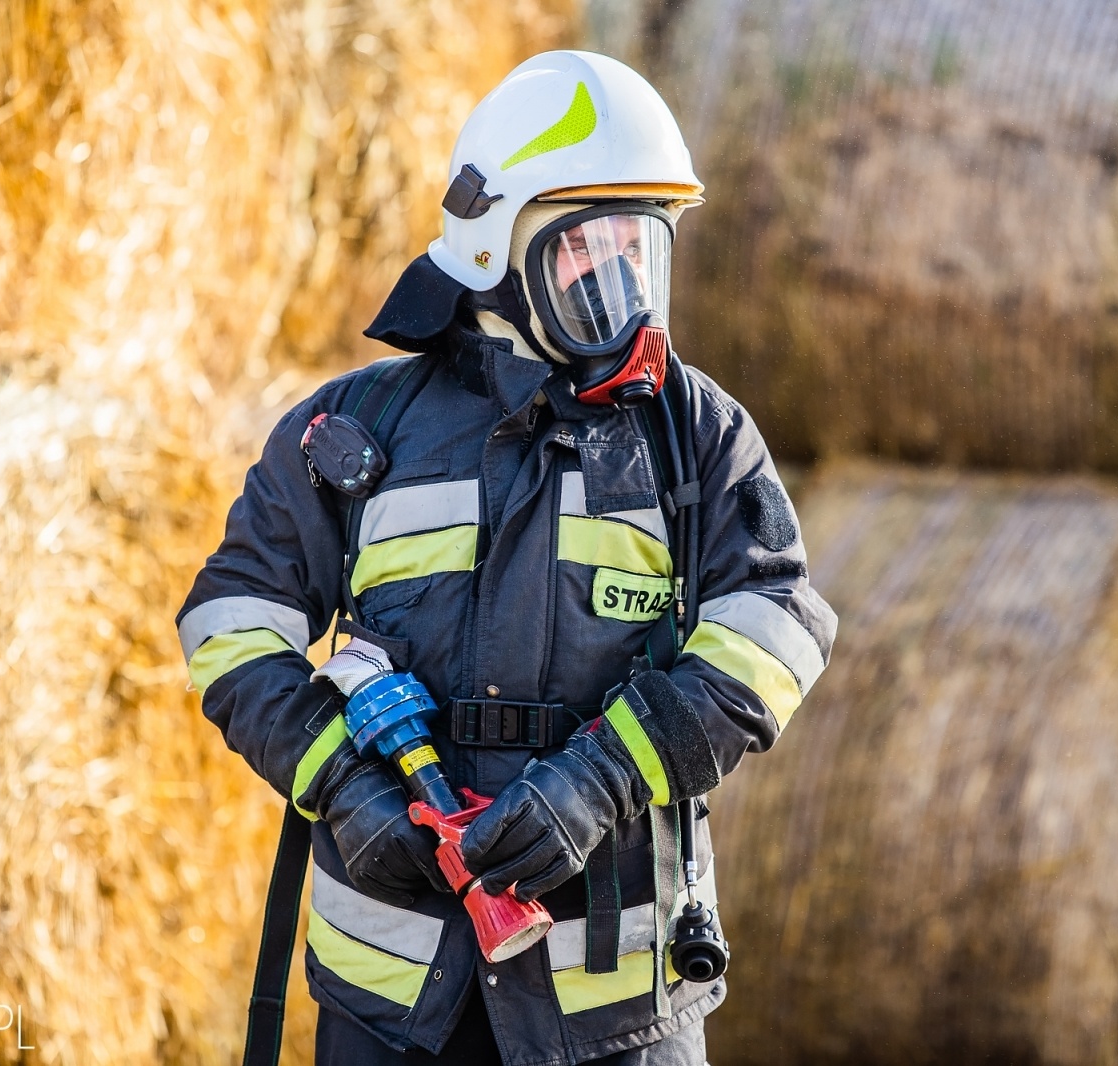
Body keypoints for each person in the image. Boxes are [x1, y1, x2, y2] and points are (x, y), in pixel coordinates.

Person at [177, 50, 837, 1066]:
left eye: (639, 244)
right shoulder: (353, 429)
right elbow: (230, 625)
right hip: (393, 1002)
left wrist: (601, 780)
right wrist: (343, 785)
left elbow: (774, 630)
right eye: (587, 245)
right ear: (494, 246)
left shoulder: (695, 433)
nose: (620, 279)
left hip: (618, 1005)